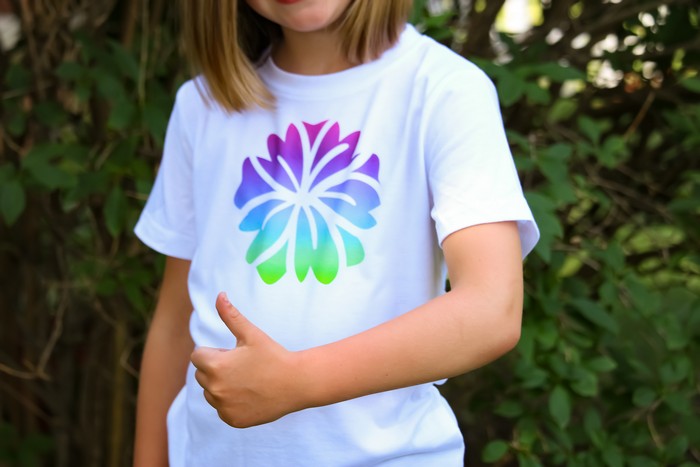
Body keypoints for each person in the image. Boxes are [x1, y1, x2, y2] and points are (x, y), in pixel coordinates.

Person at [132, 0, 539, 466]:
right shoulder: (202, 106)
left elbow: (492, 309)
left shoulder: (445, 90)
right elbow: (173, 323)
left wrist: (299, 380)